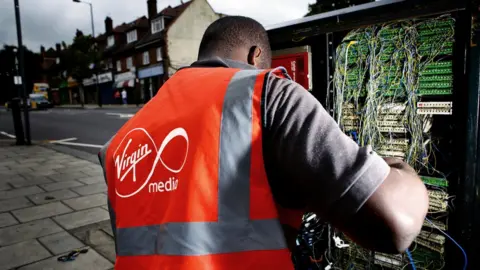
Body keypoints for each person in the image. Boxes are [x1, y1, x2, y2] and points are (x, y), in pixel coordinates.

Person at [98, 16, 428, 270]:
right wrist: (400, 169)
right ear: (256, 57)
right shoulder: (264, 92)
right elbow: (396, 225)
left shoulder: (120, 142)